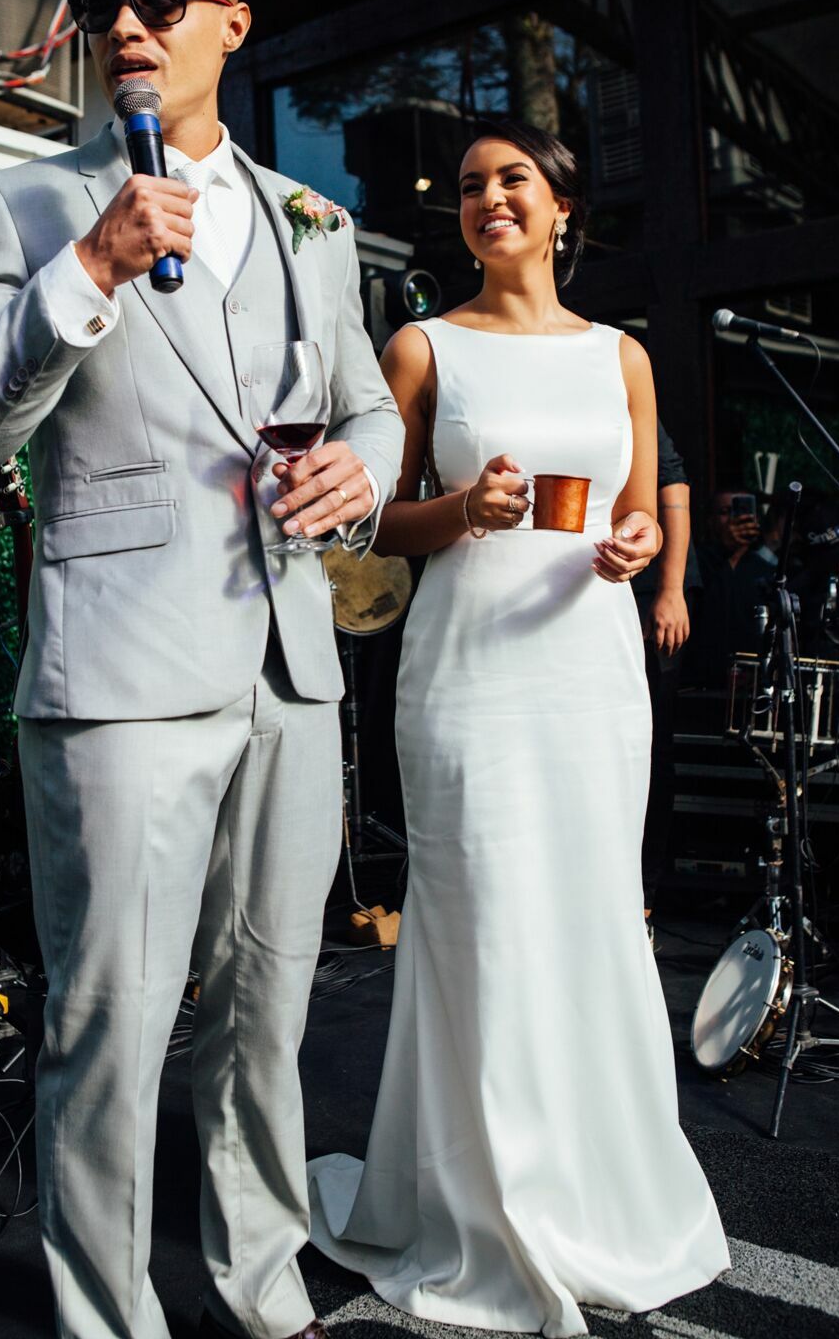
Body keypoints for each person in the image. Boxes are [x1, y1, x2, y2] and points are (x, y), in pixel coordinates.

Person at [0, 0, 404, 1339]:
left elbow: (363, 396)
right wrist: (93, 273)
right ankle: (107, 1320)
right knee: (113, 1030)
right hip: (118, 677)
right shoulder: (23, 203)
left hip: (290, 670)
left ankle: (259, 1283)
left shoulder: (319, 223)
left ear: (229, 25)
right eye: (103, 2)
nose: (128, 21)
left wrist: (363, 462)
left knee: (267, 1015)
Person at [307, 120, 729, 1338]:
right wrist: (458, 507)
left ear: (559, 210)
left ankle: (599, 1190)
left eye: (515, 181)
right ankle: (478, 1205)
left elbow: (638, 510)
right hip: (467, 677)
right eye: (474, 186)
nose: (489, 198)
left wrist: (639, 547)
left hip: (590, 677)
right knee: (482, 920)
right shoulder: (420, 346)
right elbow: (364, 525)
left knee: (590, 913)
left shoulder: (623, 357)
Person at [632, 421, 700, 930]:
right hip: (591, 579)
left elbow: (672, 482)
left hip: (648, 586)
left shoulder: (613, 361)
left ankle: (643, 898)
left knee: (651, 741)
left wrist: (671, 589)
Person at [686, 490, 773, 690]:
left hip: (751, 685)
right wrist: (726, 550)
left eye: (741, 511)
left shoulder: (766, 571)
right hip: (701, 683)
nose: (735, 519)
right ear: (710, 520)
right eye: (725, 511)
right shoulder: (695, 562)